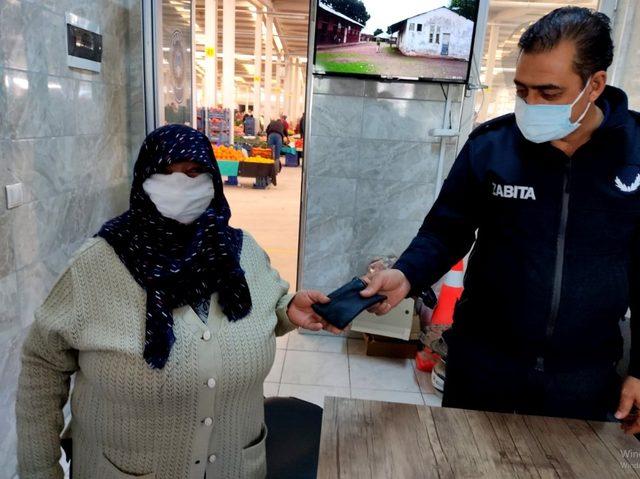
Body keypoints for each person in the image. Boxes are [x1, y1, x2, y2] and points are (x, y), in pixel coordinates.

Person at [361, 7, 640, 429]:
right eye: (521, 89)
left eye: (548, 93)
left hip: (583, 376)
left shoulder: (635, 150)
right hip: (483, 365)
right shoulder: (492, 146)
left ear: (595, 84)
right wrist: (406, 274)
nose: (531, 105)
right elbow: (446, 230)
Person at [15, 124, 340, 479]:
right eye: (165, 173)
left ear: (213, 178)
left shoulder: (242, 252)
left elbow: (266, 305)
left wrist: (287, 310)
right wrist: (40, 470)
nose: (181, 185)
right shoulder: (95, 267)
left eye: (194, 172)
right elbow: (42, 366)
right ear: (143, 179)